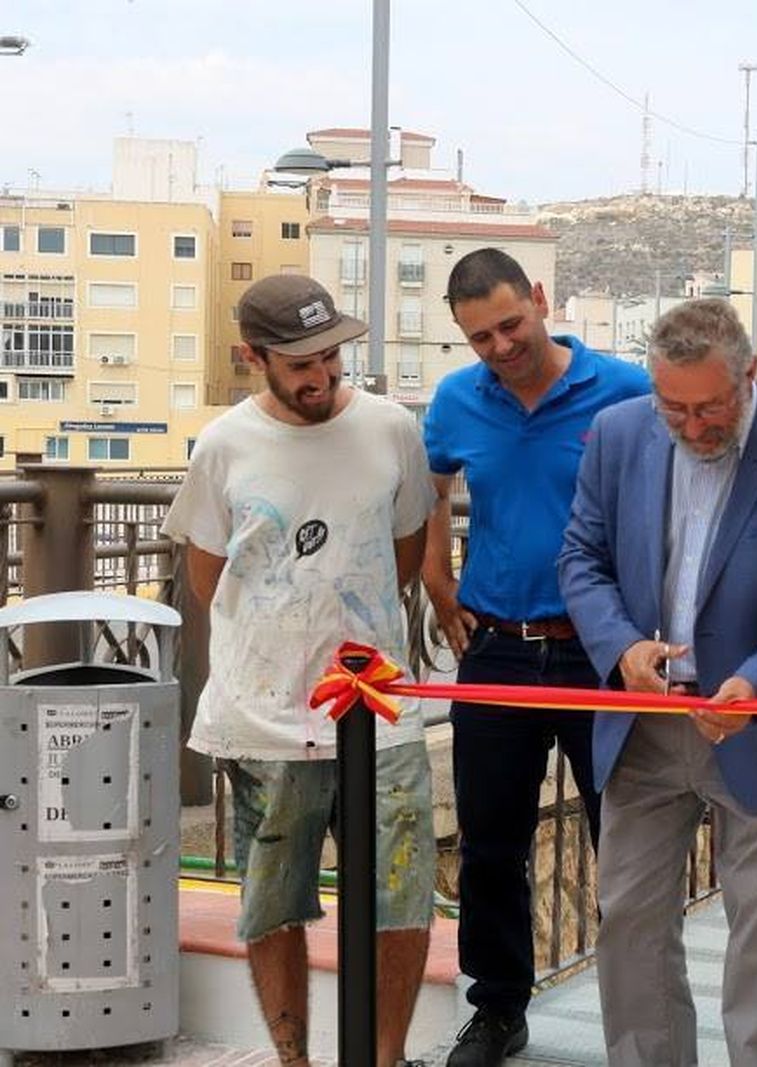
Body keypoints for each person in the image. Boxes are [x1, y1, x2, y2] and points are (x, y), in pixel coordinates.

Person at [558, 298, 757, 1066]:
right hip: (645, 724)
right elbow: (581, 559)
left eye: (710, 407)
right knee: (629, 917)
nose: (692, 427)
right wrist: (622, 647)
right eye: (674, 408)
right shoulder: (618, 433)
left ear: (749, 373)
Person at [162, 274, 437, 1067]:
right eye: (300, 362)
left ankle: (385, 1057)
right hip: (264, 716)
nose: (321, 374)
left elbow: (405, 552)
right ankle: (293, 1060)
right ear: (254, 357)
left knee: (402, 891)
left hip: (380, 706)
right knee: (272, 903)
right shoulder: (223, 445)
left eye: (330, 355)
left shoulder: (392, 429)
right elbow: (210, 578)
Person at [421, 248, 650, 1067]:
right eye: (479, 337)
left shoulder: (626, 388)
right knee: (489, 844)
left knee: (625, 842)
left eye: (510, 324)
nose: (501, 347)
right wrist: (437, 577)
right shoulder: (456, 400)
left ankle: (640, 1018)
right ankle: (497, 1010)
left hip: (602, 653)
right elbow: (430, 485)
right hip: (496, 650)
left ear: (542, 299)